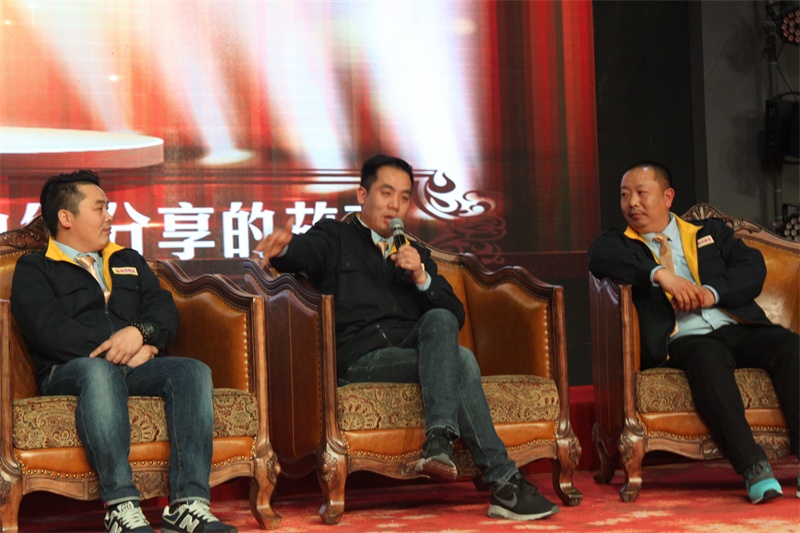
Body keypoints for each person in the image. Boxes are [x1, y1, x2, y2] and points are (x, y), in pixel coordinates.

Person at [254, 153, 560, 521]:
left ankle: (445, 447)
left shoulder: (414, 253)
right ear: (362, 195)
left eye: (402, 197)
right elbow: (303, 252)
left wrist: (421, 278)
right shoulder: (335, 237)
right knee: (462, 361)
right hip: (360, 359)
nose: (394, 205)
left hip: (409, 351)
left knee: (442, 321)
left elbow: (454, 314)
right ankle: (501, 481)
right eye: (386, 194)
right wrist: (285, 247)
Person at [10, 170, 236, 533]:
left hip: (136, 366)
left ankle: (187, 504)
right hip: (70, 370)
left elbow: (163, 310)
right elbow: (47, 329)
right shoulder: (35, 267)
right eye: (99, 208)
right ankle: (121, 505)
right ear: (66, 217)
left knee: (192, 371)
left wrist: (143, 336)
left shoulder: (126, 259)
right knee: (98, 372)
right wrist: (120, 348)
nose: (109, 216)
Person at [588, 161, 799, 504]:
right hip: (685, 339)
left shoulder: (708, 232)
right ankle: (753, 466)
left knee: (791, 346)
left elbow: (751, 268)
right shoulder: (622, 243)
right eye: (625, 195)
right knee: (706, 360)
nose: (632, 203)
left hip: (737, 325)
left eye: (641, 193)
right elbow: (598, 256)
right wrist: (660, 274)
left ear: (667, 197)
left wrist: (712, 293)